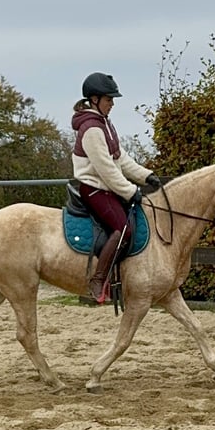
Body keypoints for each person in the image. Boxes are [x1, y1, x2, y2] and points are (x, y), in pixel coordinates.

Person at [71, 72, 162, 303]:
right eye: (108, 99)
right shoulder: (91, 128)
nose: (112, 104)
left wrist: (146, 176)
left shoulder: (105, 124)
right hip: (93, 189)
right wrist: (132, 191)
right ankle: (98, 280)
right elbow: (106, 170)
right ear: (94, 100)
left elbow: (120, 160)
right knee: (123, 229)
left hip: (106, 188)